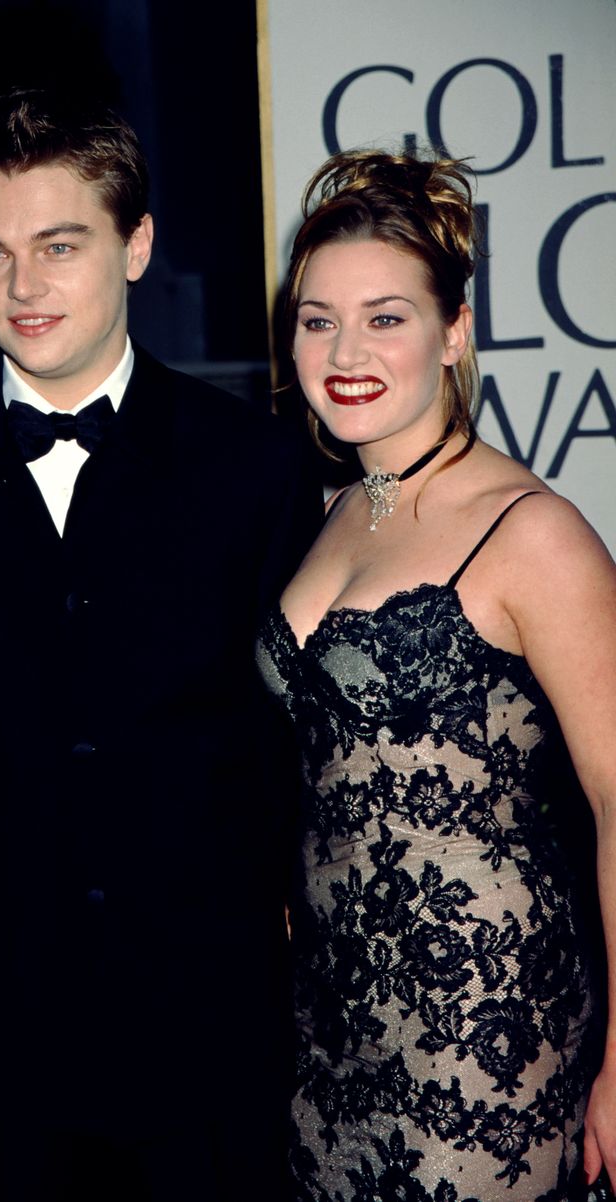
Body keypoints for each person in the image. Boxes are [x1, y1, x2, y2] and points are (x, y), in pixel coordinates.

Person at [0, 89, 324, 1202]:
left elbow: (282, 748)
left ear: (136, 245)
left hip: (211, 1036)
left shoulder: (258, 467)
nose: (22, 288)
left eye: (59, 246)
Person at [255, 148, 616, 1201]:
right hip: (329, 1032)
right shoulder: (332, 513)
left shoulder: (531, 531)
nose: (343, 352)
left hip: (484, 1033)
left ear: (453, 331)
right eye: (317, 319)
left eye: (385, 317)